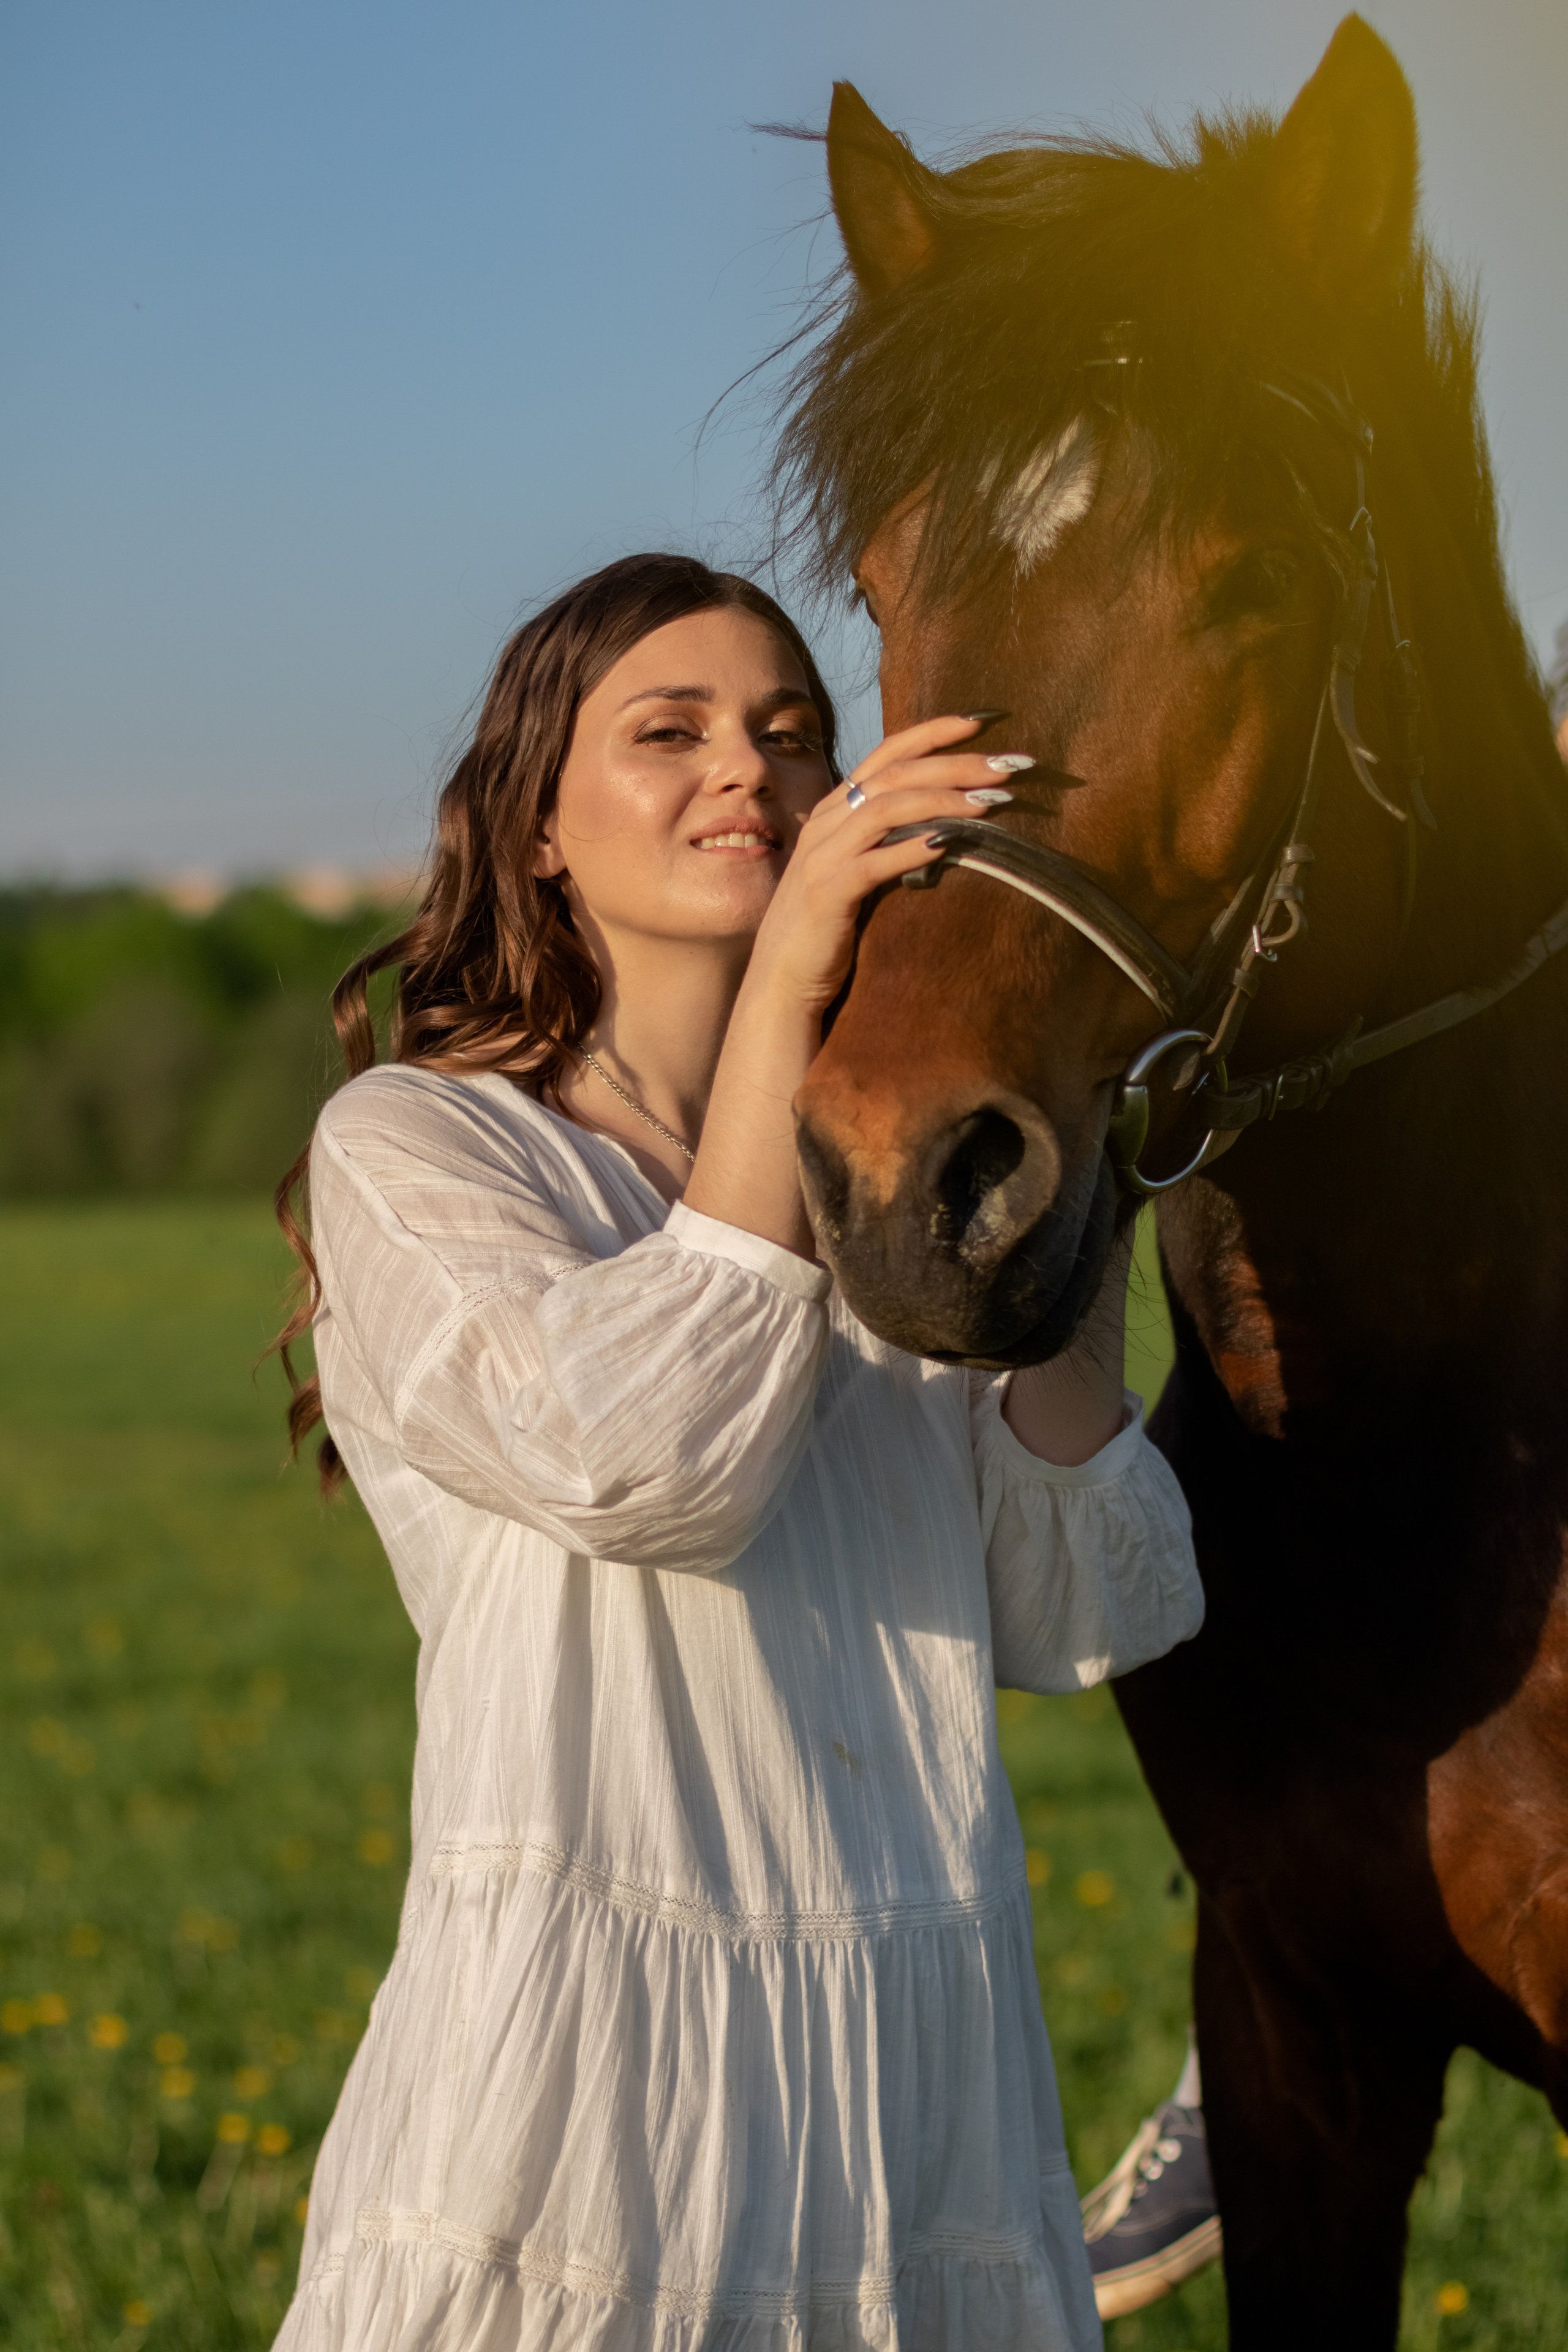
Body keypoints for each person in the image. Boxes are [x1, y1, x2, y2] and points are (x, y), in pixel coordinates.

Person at [270, 551, 1204, 2351]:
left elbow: (1076, 1608)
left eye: (791, 733)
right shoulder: (420, 1150)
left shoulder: (882, 1183)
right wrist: (793, 984)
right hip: (596, 2079)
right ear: (538, 825)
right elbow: (652, 1462)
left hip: (915, 2067)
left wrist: (1065, 1186)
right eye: (669, 730)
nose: (750, 772)